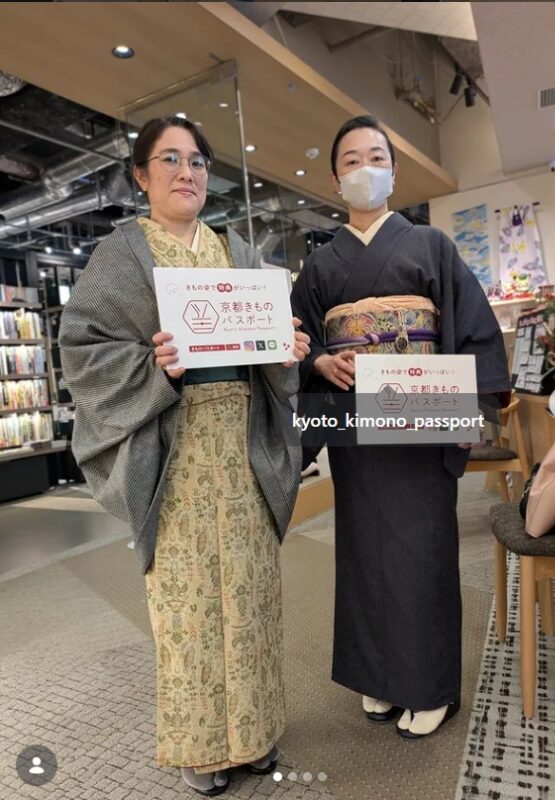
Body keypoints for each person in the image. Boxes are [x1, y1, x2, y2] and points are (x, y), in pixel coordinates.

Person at [59, 115, 310, 796]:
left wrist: (285, 351)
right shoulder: (121, 255)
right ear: (140, 176)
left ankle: (254, 733)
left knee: (253, 595)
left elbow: (270, 357)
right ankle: (203, 747)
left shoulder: (238, 251)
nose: (186, 172)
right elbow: (82, 350)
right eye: (169, 159)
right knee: (188, 604)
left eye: (196, 160)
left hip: (243, 447)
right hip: (176, 453)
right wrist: (154, 367)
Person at [291, 115, 511, 740]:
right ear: (336, 179)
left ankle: (430, 686)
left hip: (421, 417)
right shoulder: (321, 265)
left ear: (393, 171)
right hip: (355, 423)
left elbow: (473, 329)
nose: (365, 169)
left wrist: (468, 407)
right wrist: (318, 361)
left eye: (376, 157)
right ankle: (380, 678)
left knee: (422, 553)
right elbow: (296, 337)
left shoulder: (431, 245)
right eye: (352, 160)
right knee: (363, 554)